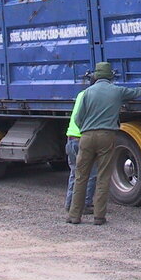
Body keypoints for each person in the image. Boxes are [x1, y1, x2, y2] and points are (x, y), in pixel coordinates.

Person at [66, 62, 141, 226]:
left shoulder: (86, 93)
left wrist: (86, 128)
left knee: (80, 176)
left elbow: (78, 118)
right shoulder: (116, 91)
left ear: (96, 76)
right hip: (107, 136)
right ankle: (99, 217)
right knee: (103, 176)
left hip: (86, 136)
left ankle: (74, 216)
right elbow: (135, 93)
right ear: (110, 76)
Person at [64, 86, 96, 215]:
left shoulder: (81, 94)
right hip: (83, 139)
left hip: (71, 137)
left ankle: (69, 203)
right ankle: (85, 204)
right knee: (91, 173)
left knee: (75, 173)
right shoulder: (94, 96)